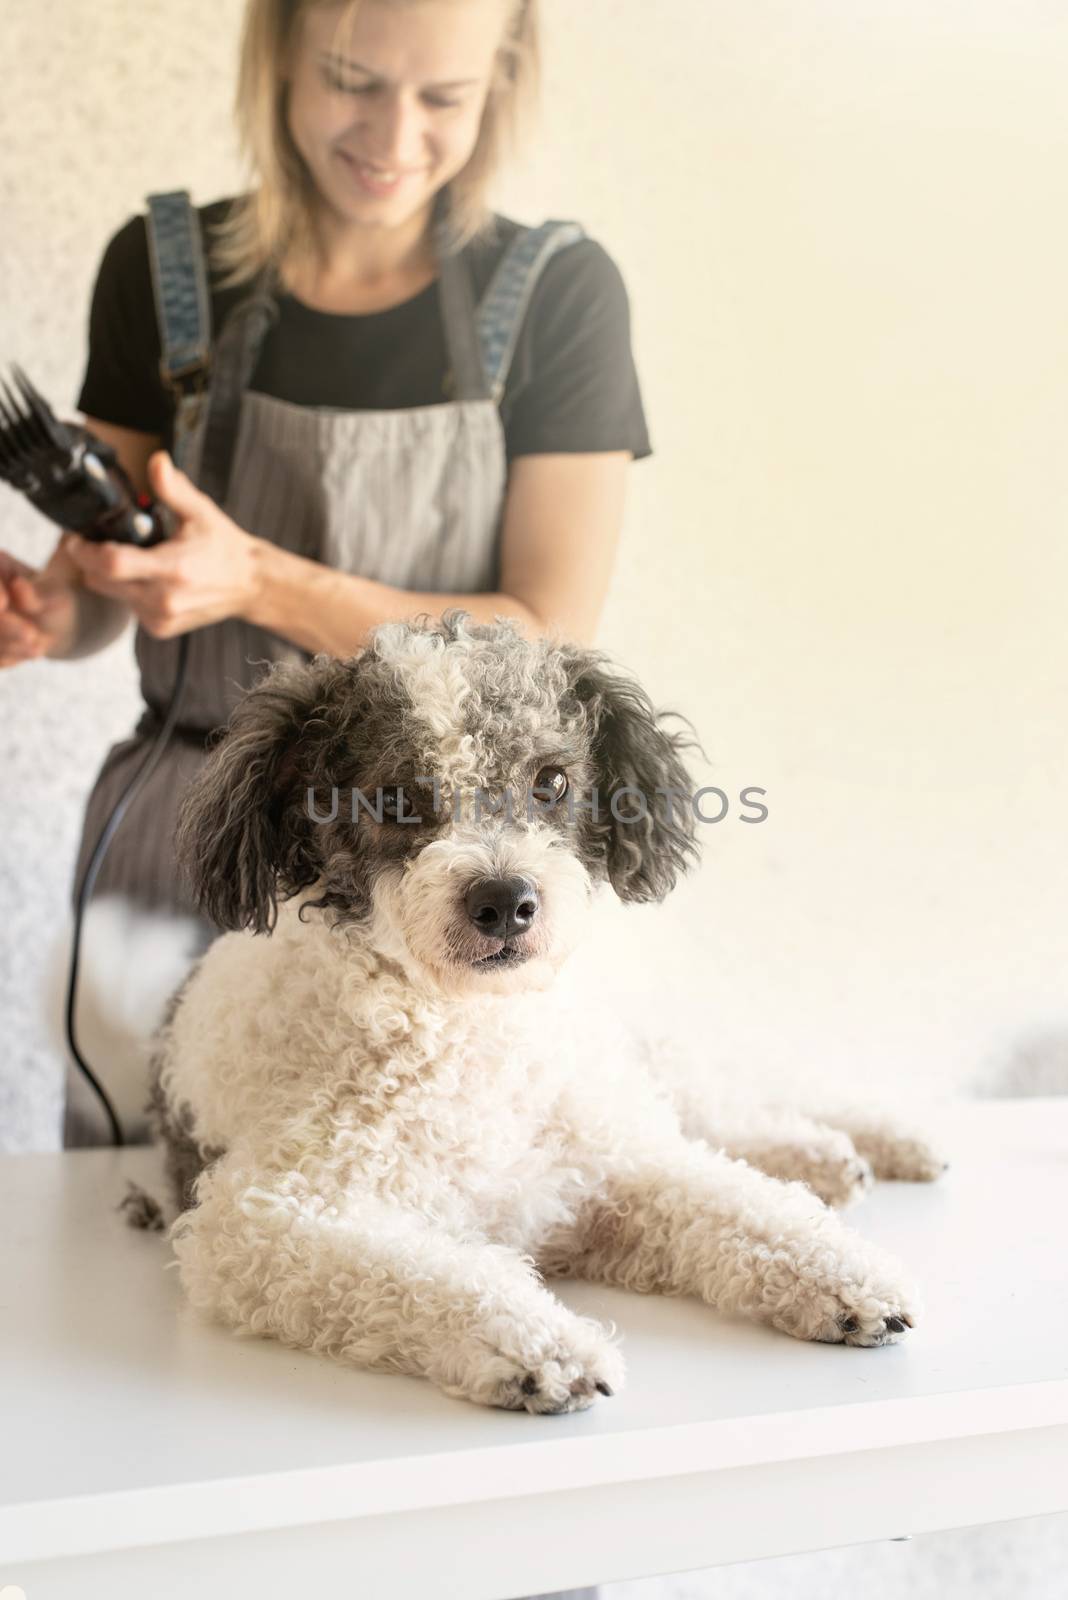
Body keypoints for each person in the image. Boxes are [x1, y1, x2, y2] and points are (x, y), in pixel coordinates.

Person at [1, 0, 650, 1188]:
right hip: (181, 836)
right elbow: (108, 584)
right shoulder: (159, 272)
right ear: (280, 57)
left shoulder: (559, 296)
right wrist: (54, 615)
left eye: (443, 98)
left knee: (430, 1208)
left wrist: (257, 576)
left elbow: (545, 632)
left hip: (434, 858)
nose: (394, 134)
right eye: (353, 80)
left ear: (499, 82)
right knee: (137, 1222)